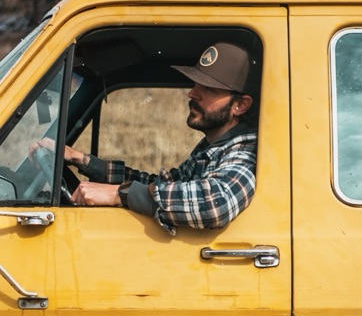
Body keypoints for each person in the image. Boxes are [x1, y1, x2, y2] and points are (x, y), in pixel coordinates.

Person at [34, 41, 260, 235]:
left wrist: (119, 194)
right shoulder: (211, 149)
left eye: (209, 88)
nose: (192, 93)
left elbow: (215, 204)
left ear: (240, 105)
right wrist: (83, 160)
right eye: (195, 84)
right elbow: (165, 185)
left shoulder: (246, 152)